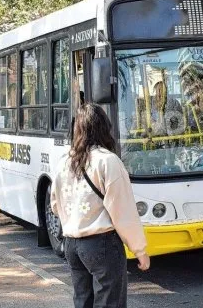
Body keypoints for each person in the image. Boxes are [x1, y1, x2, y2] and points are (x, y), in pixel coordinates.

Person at [51, 103, 149, 308]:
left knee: (82, 301)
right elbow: (122, 210)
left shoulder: (64, 162)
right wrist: (139, 249)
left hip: (72, 245)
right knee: (109, 303)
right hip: (102, 245)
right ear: (104, 127)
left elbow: (54, 205)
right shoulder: (108, 161)